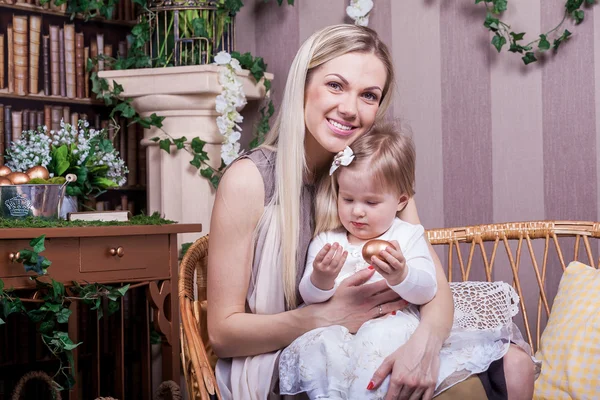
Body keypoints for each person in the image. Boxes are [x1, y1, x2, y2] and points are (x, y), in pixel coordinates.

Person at [207, 23, 537, 400]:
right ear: (303, 86)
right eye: (335, 85)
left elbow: (436, 291)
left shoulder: (376, 180)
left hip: (383, 333)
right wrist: (326, 315)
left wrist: (423, 348)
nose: (349, 109)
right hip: (298, 355)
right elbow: (222, 334)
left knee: (514, 364)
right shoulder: (249, 180)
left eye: (368, 95)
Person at [278, 124, 539, 399]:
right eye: (348, 198)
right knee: (322, 349)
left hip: (394, 326)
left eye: (371, 202)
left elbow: (428, 289)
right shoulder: (328, 241)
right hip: (340, 333)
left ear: (400, 201)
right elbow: (309, 296)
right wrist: (322, 278)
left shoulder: (406, 235)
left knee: (387, 341)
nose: (357, 211)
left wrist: (400, 275)